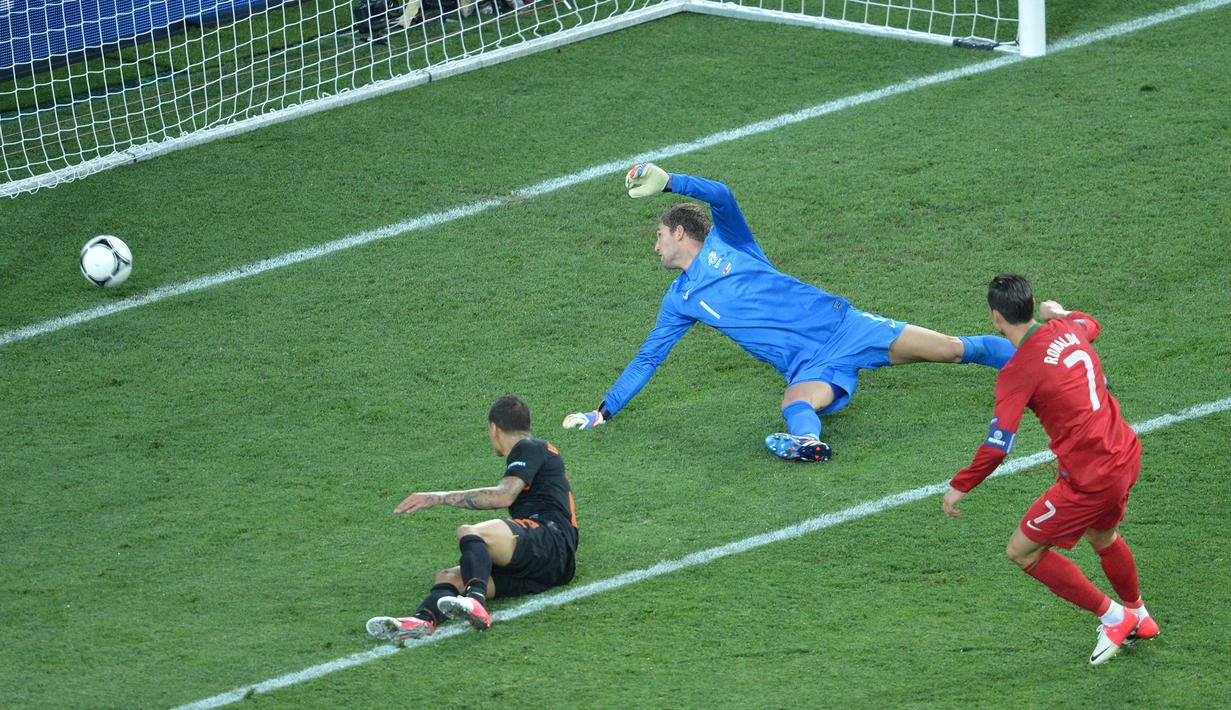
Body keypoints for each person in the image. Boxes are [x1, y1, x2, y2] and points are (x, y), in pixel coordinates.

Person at [562, 163, 1015, 462]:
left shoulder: (730, 242)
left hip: (844, 327)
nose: (655, 245)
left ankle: (1035, 354)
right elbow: (648, 358)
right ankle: (807, 441)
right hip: (808, 366)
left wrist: (671, 181)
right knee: (795, 402)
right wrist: (603, 411)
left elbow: (721, 195)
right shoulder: (678, 301)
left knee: (952, 350)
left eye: (659, 234)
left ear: (681, 232)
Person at [942, 274, 1159, 665]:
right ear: (1031, 305)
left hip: (1089, 480)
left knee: (1022, 551)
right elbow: (1090, 324)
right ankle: (1140, 615)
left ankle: (1115, 617)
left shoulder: (1018, 371)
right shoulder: (1067, 328)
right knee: (1103, 535)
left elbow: (997, 448)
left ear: (996, 317)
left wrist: (961, 486)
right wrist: (1060, 312)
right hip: (1125, 454)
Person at [367, 395, 578, 641]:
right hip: (541, 567)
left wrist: (438, 497)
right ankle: (423, 621)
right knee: (450, 577)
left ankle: (475, 602)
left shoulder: (529, 447)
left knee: (470, 533)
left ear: (493, 428)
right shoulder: (534, 453)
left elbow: (503, 496)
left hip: (552, 540)